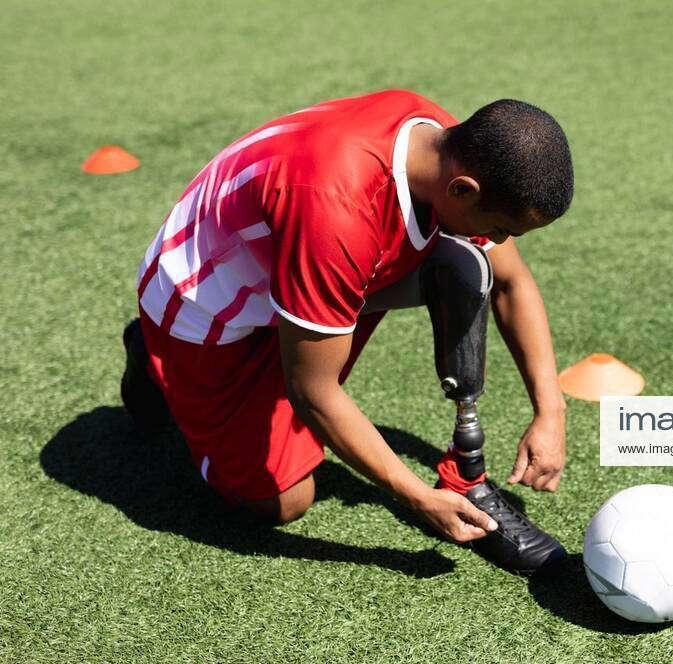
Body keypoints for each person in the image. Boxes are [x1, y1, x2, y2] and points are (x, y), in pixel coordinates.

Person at [120, 90, 574, 573]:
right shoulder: (338, 211)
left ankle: (463, 473)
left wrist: (551, 410)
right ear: (463, 189)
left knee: (468, 263)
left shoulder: (443, 142)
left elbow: (509, 281)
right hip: (205, 311)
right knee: (280, 501)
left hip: (297, 276)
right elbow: (313, 391)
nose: (502, 241)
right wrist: (417, 497)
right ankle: (153, 360)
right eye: (503, 227)